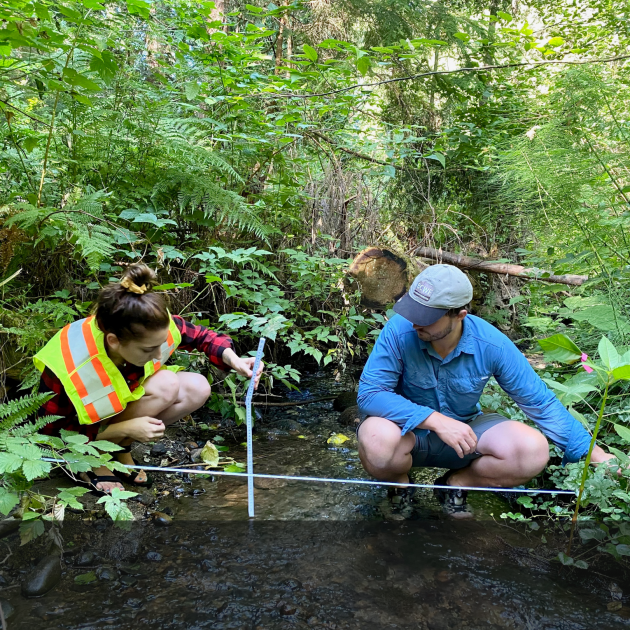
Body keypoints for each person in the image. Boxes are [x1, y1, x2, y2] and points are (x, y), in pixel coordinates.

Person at [357, 264, 614, 516]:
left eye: (426, 317)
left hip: (467, 433)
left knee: (532, 449)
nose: (415, 323)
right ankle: (400, 487)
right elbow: (370, 393)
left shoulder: (491, 343)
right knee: (375, 438)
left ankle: (454, 486)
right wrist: (435, 420)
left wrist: (596, 455)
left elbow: (541, 404)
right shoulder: (398, 330)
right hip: (408, 433)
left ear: (459, 315)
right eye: (414, 311)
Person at [34, 264, 263, 495]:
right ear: (114, 341)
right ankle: (88, 461)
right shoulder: (71, 365)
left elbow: (201, 336)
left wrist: (235, 360)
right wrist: (127, 427)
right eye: (148, 349)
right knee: (166, 384)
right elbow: (54, 436)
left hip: (114, 413)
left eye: (160, 344)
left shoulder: (148, 325)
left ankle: (118, 448)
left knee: (195, 387)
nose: (157, 354)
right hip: (76, 433)